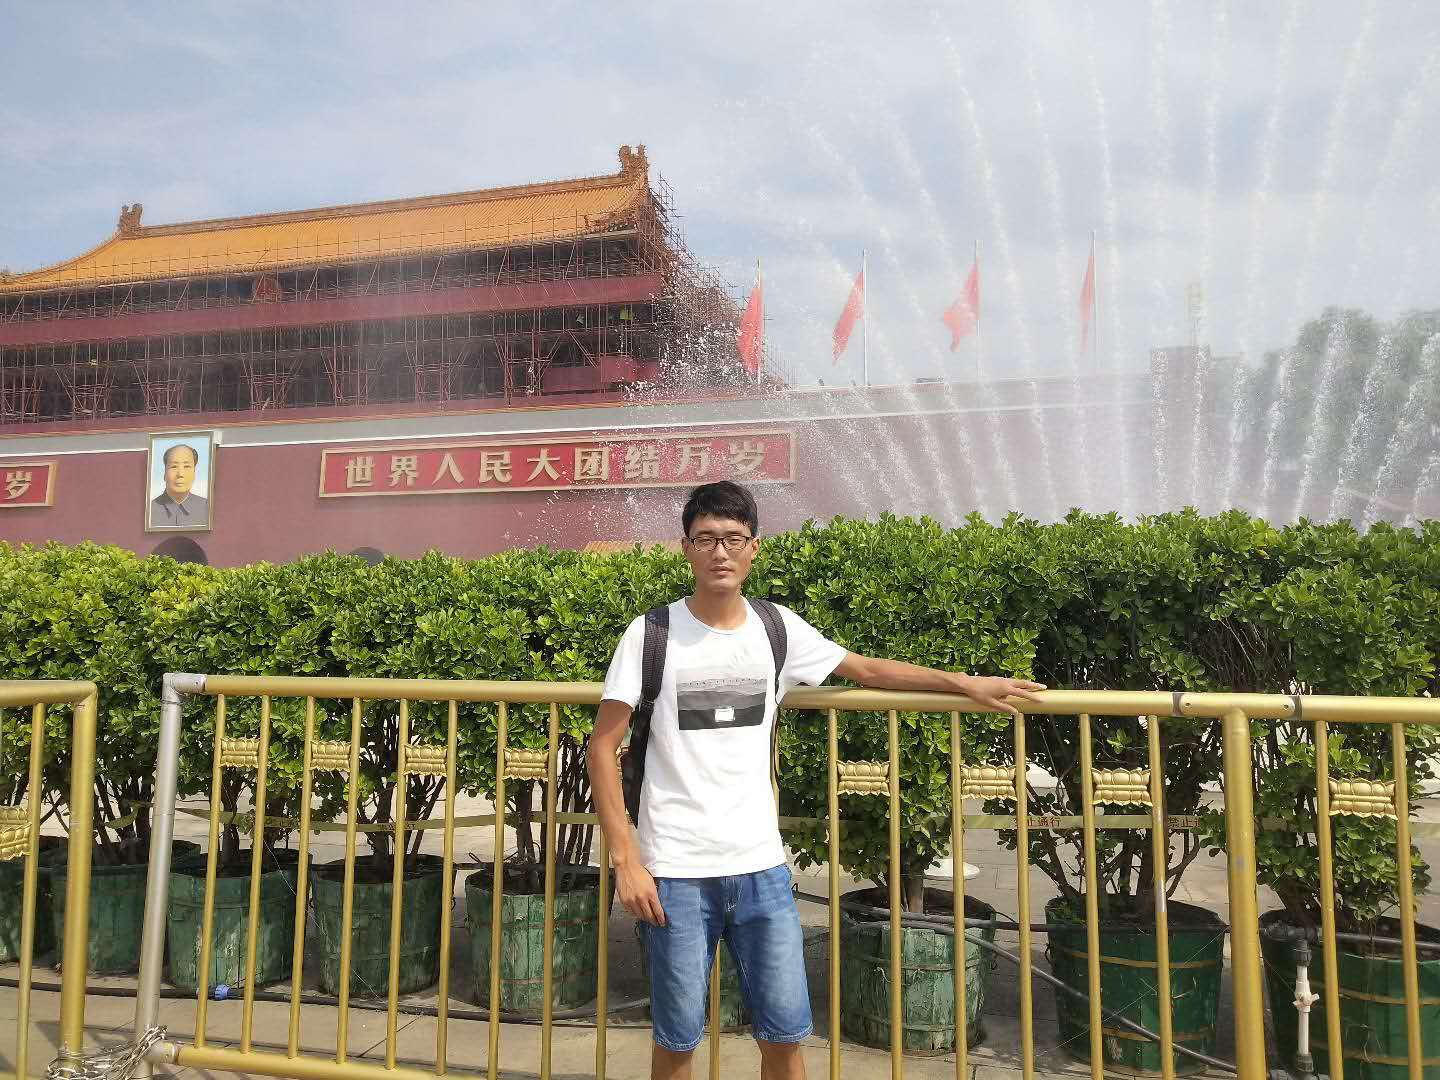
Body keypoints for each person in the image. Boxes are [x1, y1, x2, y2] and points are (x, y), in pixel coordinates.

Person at [587, 481, 1044, 1080]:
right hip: (674, 870)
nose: (720, 552)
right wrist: (626, 857)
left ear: (754, 548)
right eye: (706, 539)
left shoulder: (776, 628)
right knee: (677, 1042)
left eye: (733, 539)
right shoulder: (652, 634)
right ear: (685, 548)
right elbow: (602, 745)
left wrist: (963, 684)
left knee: (785, 1037)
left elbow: (867, 669)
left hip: (761, 869)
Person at [149, 443, 209, 529]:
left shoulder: (207, 508)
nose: (180, 474)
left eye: (187, 466)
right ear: (165, 474)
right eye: (174, 466)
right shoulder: (149, 510)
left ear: (194, 473)